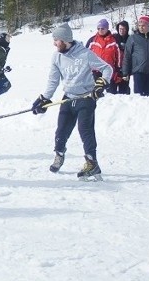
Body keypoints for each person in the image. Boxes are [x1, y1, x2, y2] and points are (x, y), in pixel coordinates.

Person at [31, 23, 113, 180]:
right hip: (68, 98)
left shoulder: (85, 54)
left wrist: (102, 83)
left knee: (85, 130)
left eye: (56, 40)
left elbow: (107, 68)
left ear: (64, 40)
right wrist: (44, 98)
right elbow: (53, 81)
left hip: (86, 98)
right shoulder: (56, 56)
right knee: (61, 131)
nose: (54, 43)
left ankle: (92, 163)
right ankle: (59, 155)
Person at [121, 15, 149, 96]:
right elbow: (127, 55)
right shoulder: (133, 38)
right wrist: (125, 72)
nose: (141, 27)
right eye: (139, 25)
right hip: (138, 71)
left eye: (143, 26)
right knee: (138, 97)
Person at [85, 19, 120, 94]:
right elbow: (85, 56)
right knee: (95, 94)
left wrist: (118, 71)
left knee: (110, 95)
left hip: (110, 71)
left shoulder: (114, 40)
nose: (100, 30)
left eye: (103, 28)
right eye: (99, 28)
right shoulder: (92, 40)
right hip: (95, 72)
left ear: (107, 28)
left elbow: (119, 57)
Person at [113, 21, 131, 94]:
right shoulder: (114, 38)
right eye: (120, 29)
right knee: (111, 91)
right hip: (114, 67)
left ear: (127, 29)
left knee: (123, 90)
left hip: (125, 68)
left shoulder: (130, 39)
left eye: (123, 29)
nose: (121, 31)